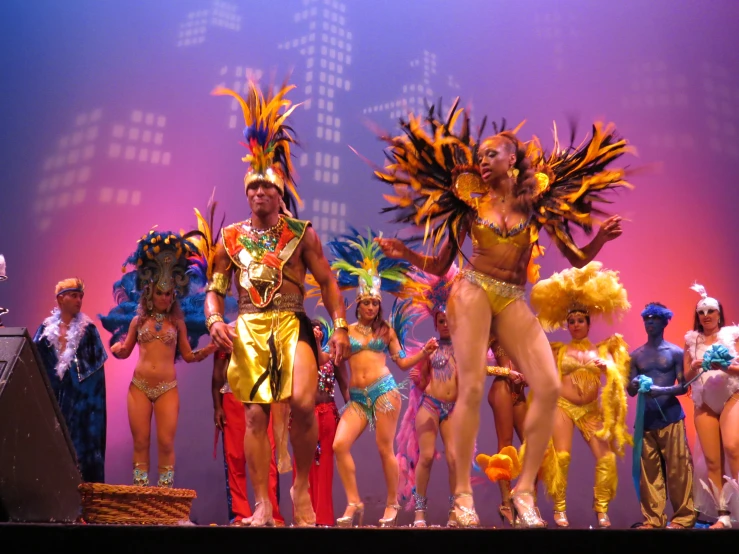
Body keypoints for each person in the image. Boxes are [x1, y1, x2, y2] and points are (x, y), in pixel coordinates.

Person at [374, 102, 632, 527]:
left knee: (549, 386)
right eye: (481, 156)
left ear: (512, 160)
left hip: (512, 295)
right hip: (472, 288)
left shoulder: (535, 208)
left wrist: (600, 240)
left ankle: (525, 491)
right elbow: (440, 266)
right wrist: (404, 253)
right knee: (472, 387)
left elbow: (576, 255)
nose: (483, 160)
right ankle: (462, 500)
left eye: (491, 153)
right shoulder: (469, 205)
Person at [206, 80, 351, 527]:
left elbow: (327, 282)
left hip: (293, 321)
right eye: (252, 188)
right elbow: (214, 286)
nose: (259, 194)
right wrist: (213, 317)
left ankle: (301, 487)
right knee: (253, 417)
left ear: (280, 191)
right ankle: (264, 504)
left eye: (267, 188)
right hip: (249, 327)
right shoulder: (230, 240)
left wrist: (340, 325)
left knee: (305, 404)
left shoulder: (301, 232)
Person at [320, 228, 436, 528]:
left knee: (385, 448)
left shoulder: (386, 331)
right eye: (366, 303)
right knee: (338, 445)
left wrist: (423, 353)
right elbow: (337, 360)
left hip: (384, 392)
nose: (371, 307)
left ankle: (391, 503)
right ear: (357, 304)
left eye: (375, 303)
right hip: (358, 399)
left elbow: (401, 362)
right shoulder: (346, 332)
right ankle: (354, 501)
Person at [100, 229, 216, 487]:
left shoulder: (178, 322)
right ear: (150, 292)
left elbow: (186, 354)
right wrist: (118, 350)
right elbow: (126, 350)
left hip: (167, 389)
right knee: (140, 442)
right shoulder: (137, 320)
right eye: (160, 293)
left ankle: (164, 495)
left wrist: (206, 351)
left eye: (169, 293)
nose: (164, 297)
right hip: (138, 387)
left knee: (165, 442)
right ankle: (141, 494)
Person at [529, 262, 631, 528]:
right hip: (563, 407)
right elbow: (542, 373)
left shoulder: (602, 350)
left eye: (580, 321)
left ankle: (601, 509)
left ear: (588, 323)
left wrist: (606, 367)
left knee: (606, 459)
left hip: (590, 411)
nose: (575, 325)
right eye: (571, 321)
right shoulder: (559, 350)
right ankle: (559, 510)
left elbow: (618, 379)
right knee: (561, 457)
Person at [396, 264, 459, 528]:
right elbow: (422, 382)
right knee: (426, 457)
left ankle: (456, 511)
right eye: (441, 321)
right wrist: (418, 379)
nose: (445, 325)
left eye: (449, 320)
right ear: (436, 322)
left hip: (452, 409)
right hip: (430, 405)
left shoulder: (464, 347)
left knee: (455, 458)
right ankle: (419, 512)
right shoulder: (430, 349)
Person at [626, 302, 695, 529]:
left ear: (665, 322)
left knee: (678, 469)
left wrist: (660, 390)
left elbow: (683, 387)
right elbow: (630, 390)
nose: (650, 322)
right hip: (646, 419)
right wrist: (635, 384)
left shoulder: (675, 352)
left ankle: (683, 518)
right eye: (646, 318)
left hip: (671, 417)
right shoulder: (635, 355)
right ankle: (653, 519)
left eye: (655, 318)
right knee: (649, 473)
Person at [34, 278, 107, 482]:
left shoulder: (89, 332)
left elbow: (96, 380)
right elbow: (33, 367)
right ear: (60, 298)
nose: (79, 300)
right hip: (53, 406)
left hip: (81, 409)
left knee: (79, 458)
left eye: (81, 296)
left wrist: (89, 411)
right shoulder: (44, 332)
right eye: (74, 295)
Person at [683, 284, 739, 529]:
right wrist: (694, 367)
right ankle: (723, 514)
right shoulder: (691, 341)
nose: (706, 315)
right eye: (701, 312)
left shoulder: (732, 336)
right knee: (712, 460)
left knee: (733, 447)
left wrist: (723, 367)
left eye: (710, 311)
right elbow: (684, 378)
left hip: (731, 396)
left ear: (719, 314)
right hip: (704, 402)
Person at [213, 346, 286, 526]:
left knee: (267, 460)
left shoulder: (269, 327)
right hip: (233, 398)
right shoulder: (229, 332)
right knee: (235, 458)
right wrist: (218, 407)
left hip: (262, 398)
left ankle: (273, 513)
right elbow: (217, 374)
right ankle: (239, 514)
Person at [289, 317, 349, 526]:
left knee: (325, 469)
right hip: (304, 417)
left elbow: (344, 385)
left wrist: (352, 410)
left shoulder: (332, 357)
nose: (316, 331)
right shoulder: (296, 357)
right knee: (303, 466)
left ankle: (323, 519)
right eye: (311, 329)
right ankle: (303, 517)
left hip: (328, 414)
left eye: (318, 329)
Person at [485, 336, 529, 526]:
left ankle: (522, 497)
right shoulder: (491, 330)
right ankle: (505, 502)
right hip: (502, 386)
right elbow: (478, 366)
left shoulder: (520, 329)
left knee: (533, 446)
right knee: (506, 444)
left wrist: (528, 376)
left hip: (519, 390)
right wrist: (507, 372)